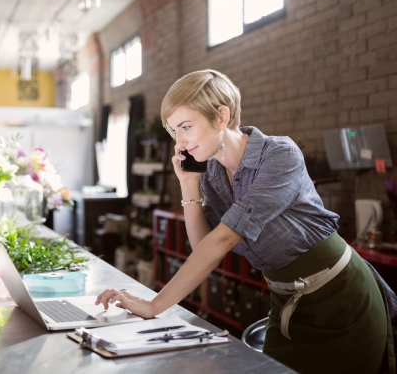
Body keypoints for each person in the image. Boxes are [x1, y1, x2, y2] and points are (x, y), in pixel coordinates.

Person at [96, 69, 396, 374]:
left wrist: (154, 305)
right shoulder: (212, 174)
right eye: (174, 131)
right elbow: (205, 248)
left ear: (222, 116)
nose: (180, 141)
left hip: (341, 297)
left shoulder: (279, 155)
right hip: (286, 301)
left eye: (186, 126)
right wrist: (188, 185)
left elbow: (224, 239)